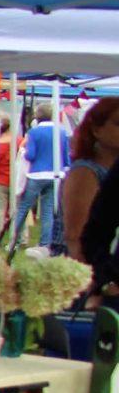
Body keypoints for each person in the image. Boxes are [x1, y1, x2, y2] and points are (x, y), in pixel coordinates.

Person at [59, 98, 119, 275]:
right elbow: (76, 235)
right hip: (82, 270)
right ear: (97, 129)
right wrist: (94, 278)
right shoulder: (85, 172)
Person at [14, 106, 70, 249]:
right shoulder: (62, 133)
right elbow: (66, 157)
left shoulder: (34, 133)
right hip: (56, 175)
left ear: (37, 117)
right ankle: (45, 242)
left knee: (23, 207)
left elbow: (30, 155)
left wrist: (23, 150)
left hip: (37, 174)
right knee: (48, 210)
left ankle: (15, 240)